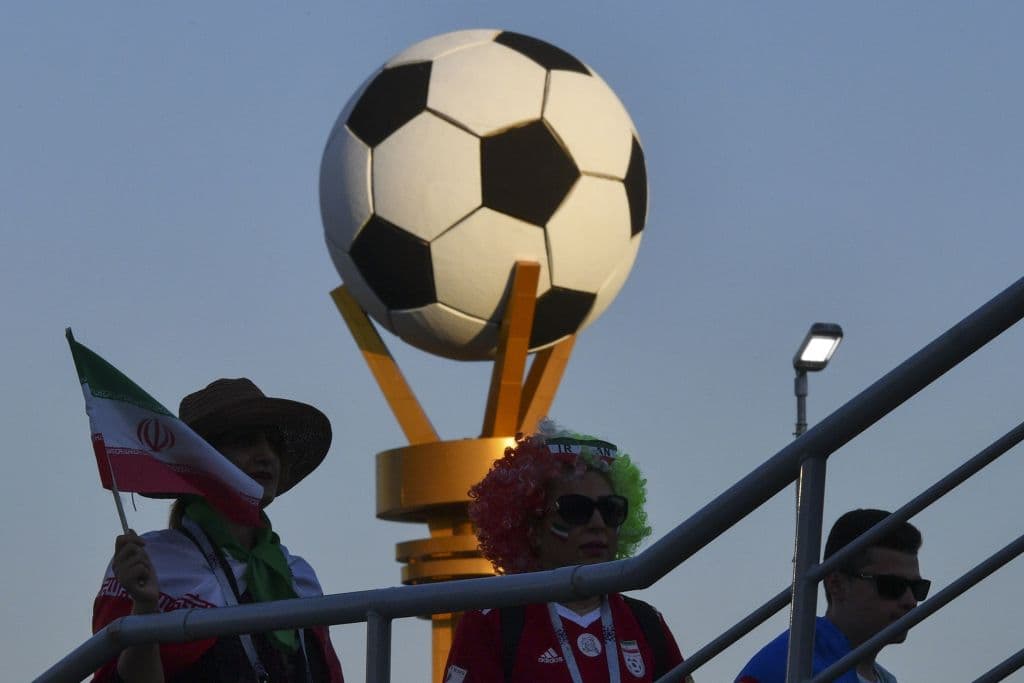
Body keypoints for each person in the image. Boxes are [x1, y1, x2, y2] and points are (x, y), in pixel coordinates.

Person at [91, 378, 344, 683]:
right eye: (245, 440)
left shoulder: (298, 576)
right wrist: (144, 609)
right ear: (200, 460)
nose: (266, 455)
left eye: (273, 444)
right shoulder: (152, 561)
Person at [443, 420, 690, 683]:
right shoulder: (494, 622)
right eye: (575, 510)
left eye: (611, 510)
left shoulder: (646, 622)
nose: (597, 523)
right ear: (532, 528)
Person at [736, 509, 929, 683]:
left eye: (917, 588)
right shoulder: (786, 666)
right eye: (892, 586)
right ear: (837, 584)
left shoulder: (882, 678)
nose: (910, 601)